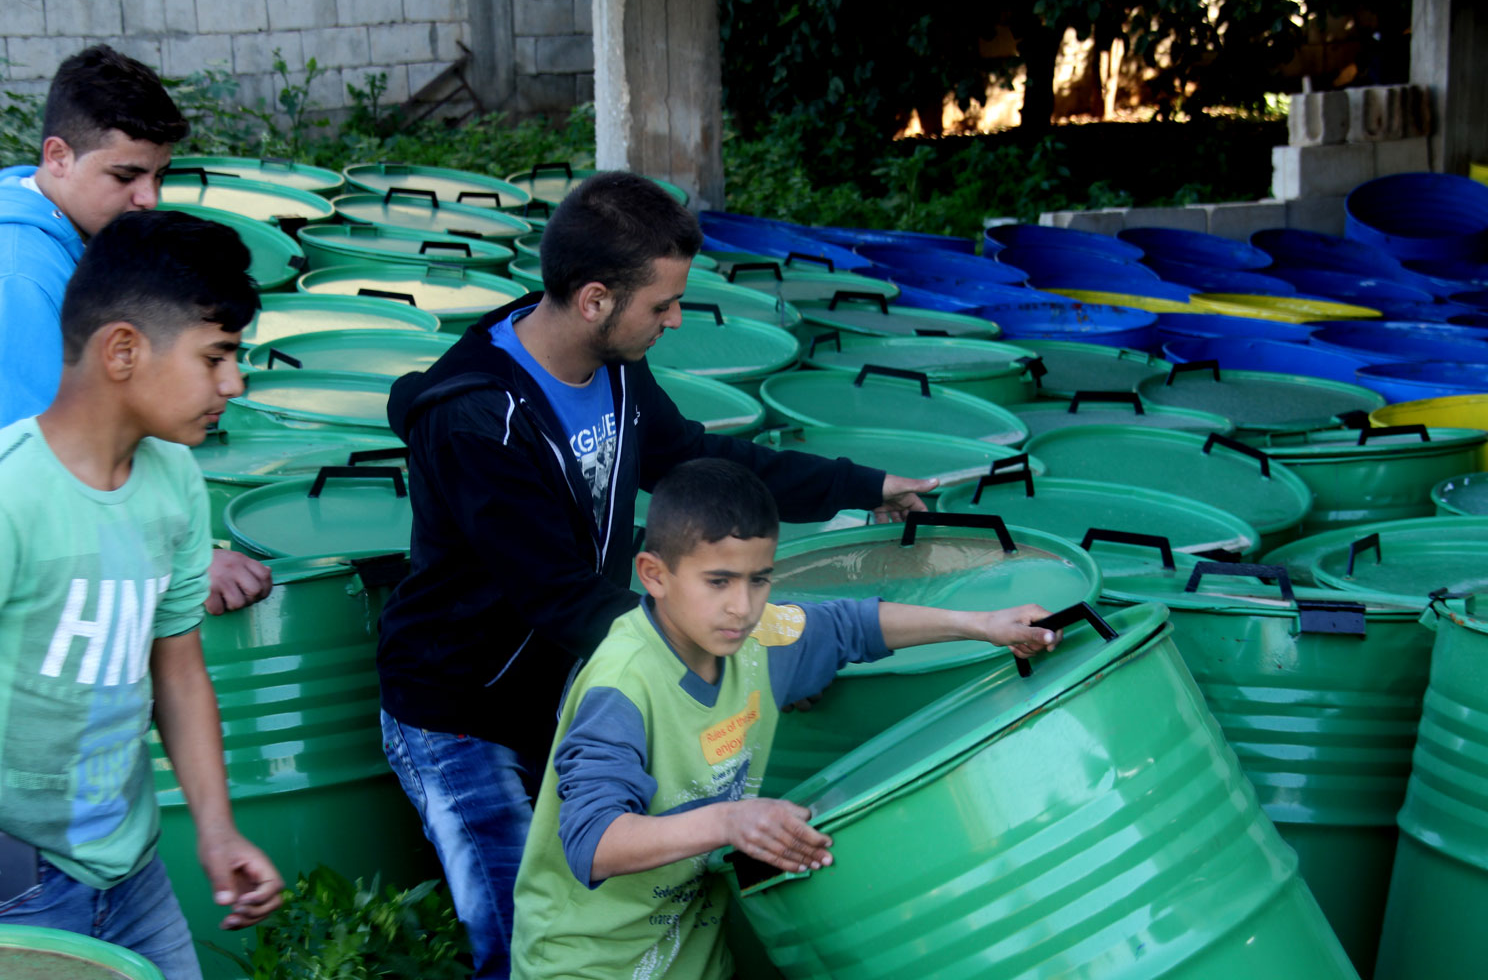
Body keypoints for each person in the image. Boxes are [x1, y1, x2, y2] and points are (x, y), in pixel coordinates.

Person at [377, 170, 940, 977]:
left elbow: (697, 465)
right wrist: (738, 651)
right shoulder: (477, 421)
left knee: (606, 908)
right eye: (662, 306)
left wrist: (864, 487)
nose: (676, 320)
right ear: (596, 298)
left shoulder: (611, 365)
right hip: (463, 711)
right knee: (519, 938)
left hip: (568, 685)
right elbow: (561, 596)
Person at [509, 458, 1059, 978]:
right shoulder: (622, 684)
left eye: (759, 579)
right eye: (718, 582)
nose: (742, 607)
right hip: (588, 962)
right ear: (654, 574)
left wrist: (983, 622)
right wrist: (729, 822)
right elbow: (593, 842)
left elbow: (852, 626)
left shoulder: (759, 638)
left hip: (693, 952)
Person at [0, 210, 283, 979]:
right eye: (216, 357)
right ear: (122, 349)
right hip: (17, 885)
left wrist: (217, 831)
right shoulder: (11, 495)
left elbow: (178, 670)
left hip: (133, 866)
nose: (234, 383)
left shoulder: (177, 484)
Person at [0, 42, 271, 616]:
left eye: (158, 175)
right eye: (125, 175)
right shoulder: (20, 276)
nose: (147, 199)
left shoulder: (62, 228)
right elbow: (42, 469)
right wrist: (183, 559)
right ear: (57, 156)